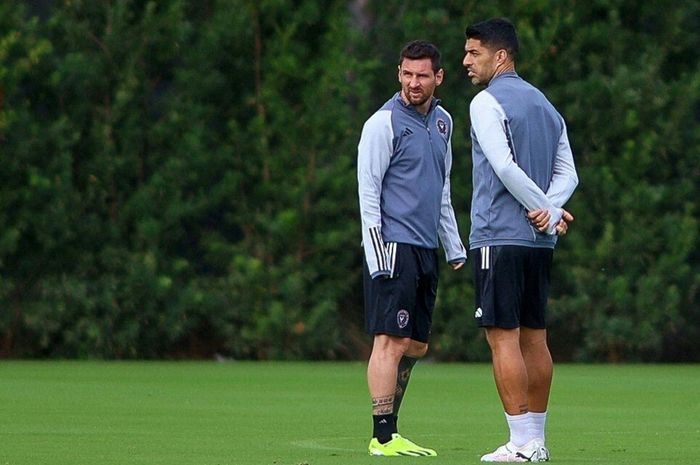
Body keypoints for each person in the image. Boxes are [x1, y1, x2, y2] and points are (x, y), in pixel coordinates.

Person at [462, 18, 579, 462]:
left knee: (503, 338)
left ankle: (521, 442)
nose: (466, 62)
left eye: (474, 53)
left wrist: (546, 212)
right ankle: (538, 443)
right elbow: (569, 174)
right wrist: (550, 212)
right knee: (535, 338)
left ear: (501, 56)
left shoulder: (485, 102)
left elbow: (506, 167)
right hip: (538, 245)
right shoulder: (547, 105)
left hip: (498, 235)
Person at [357, 40, 467, 457]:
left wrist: (453, 244)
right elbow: (368, 192)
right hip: (393, 246)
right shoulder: (382, 123)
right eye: (406, 73)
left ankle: (390, 430)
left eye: (422, 75)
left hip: (425, 249)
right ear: (398, 72)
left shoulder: (443, 122)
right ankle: (382, 435)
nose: (413, 82)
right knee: (388, 340)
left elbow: (441, 189)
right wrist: (376, 253)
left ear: (438, 77)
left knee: (416, 345)